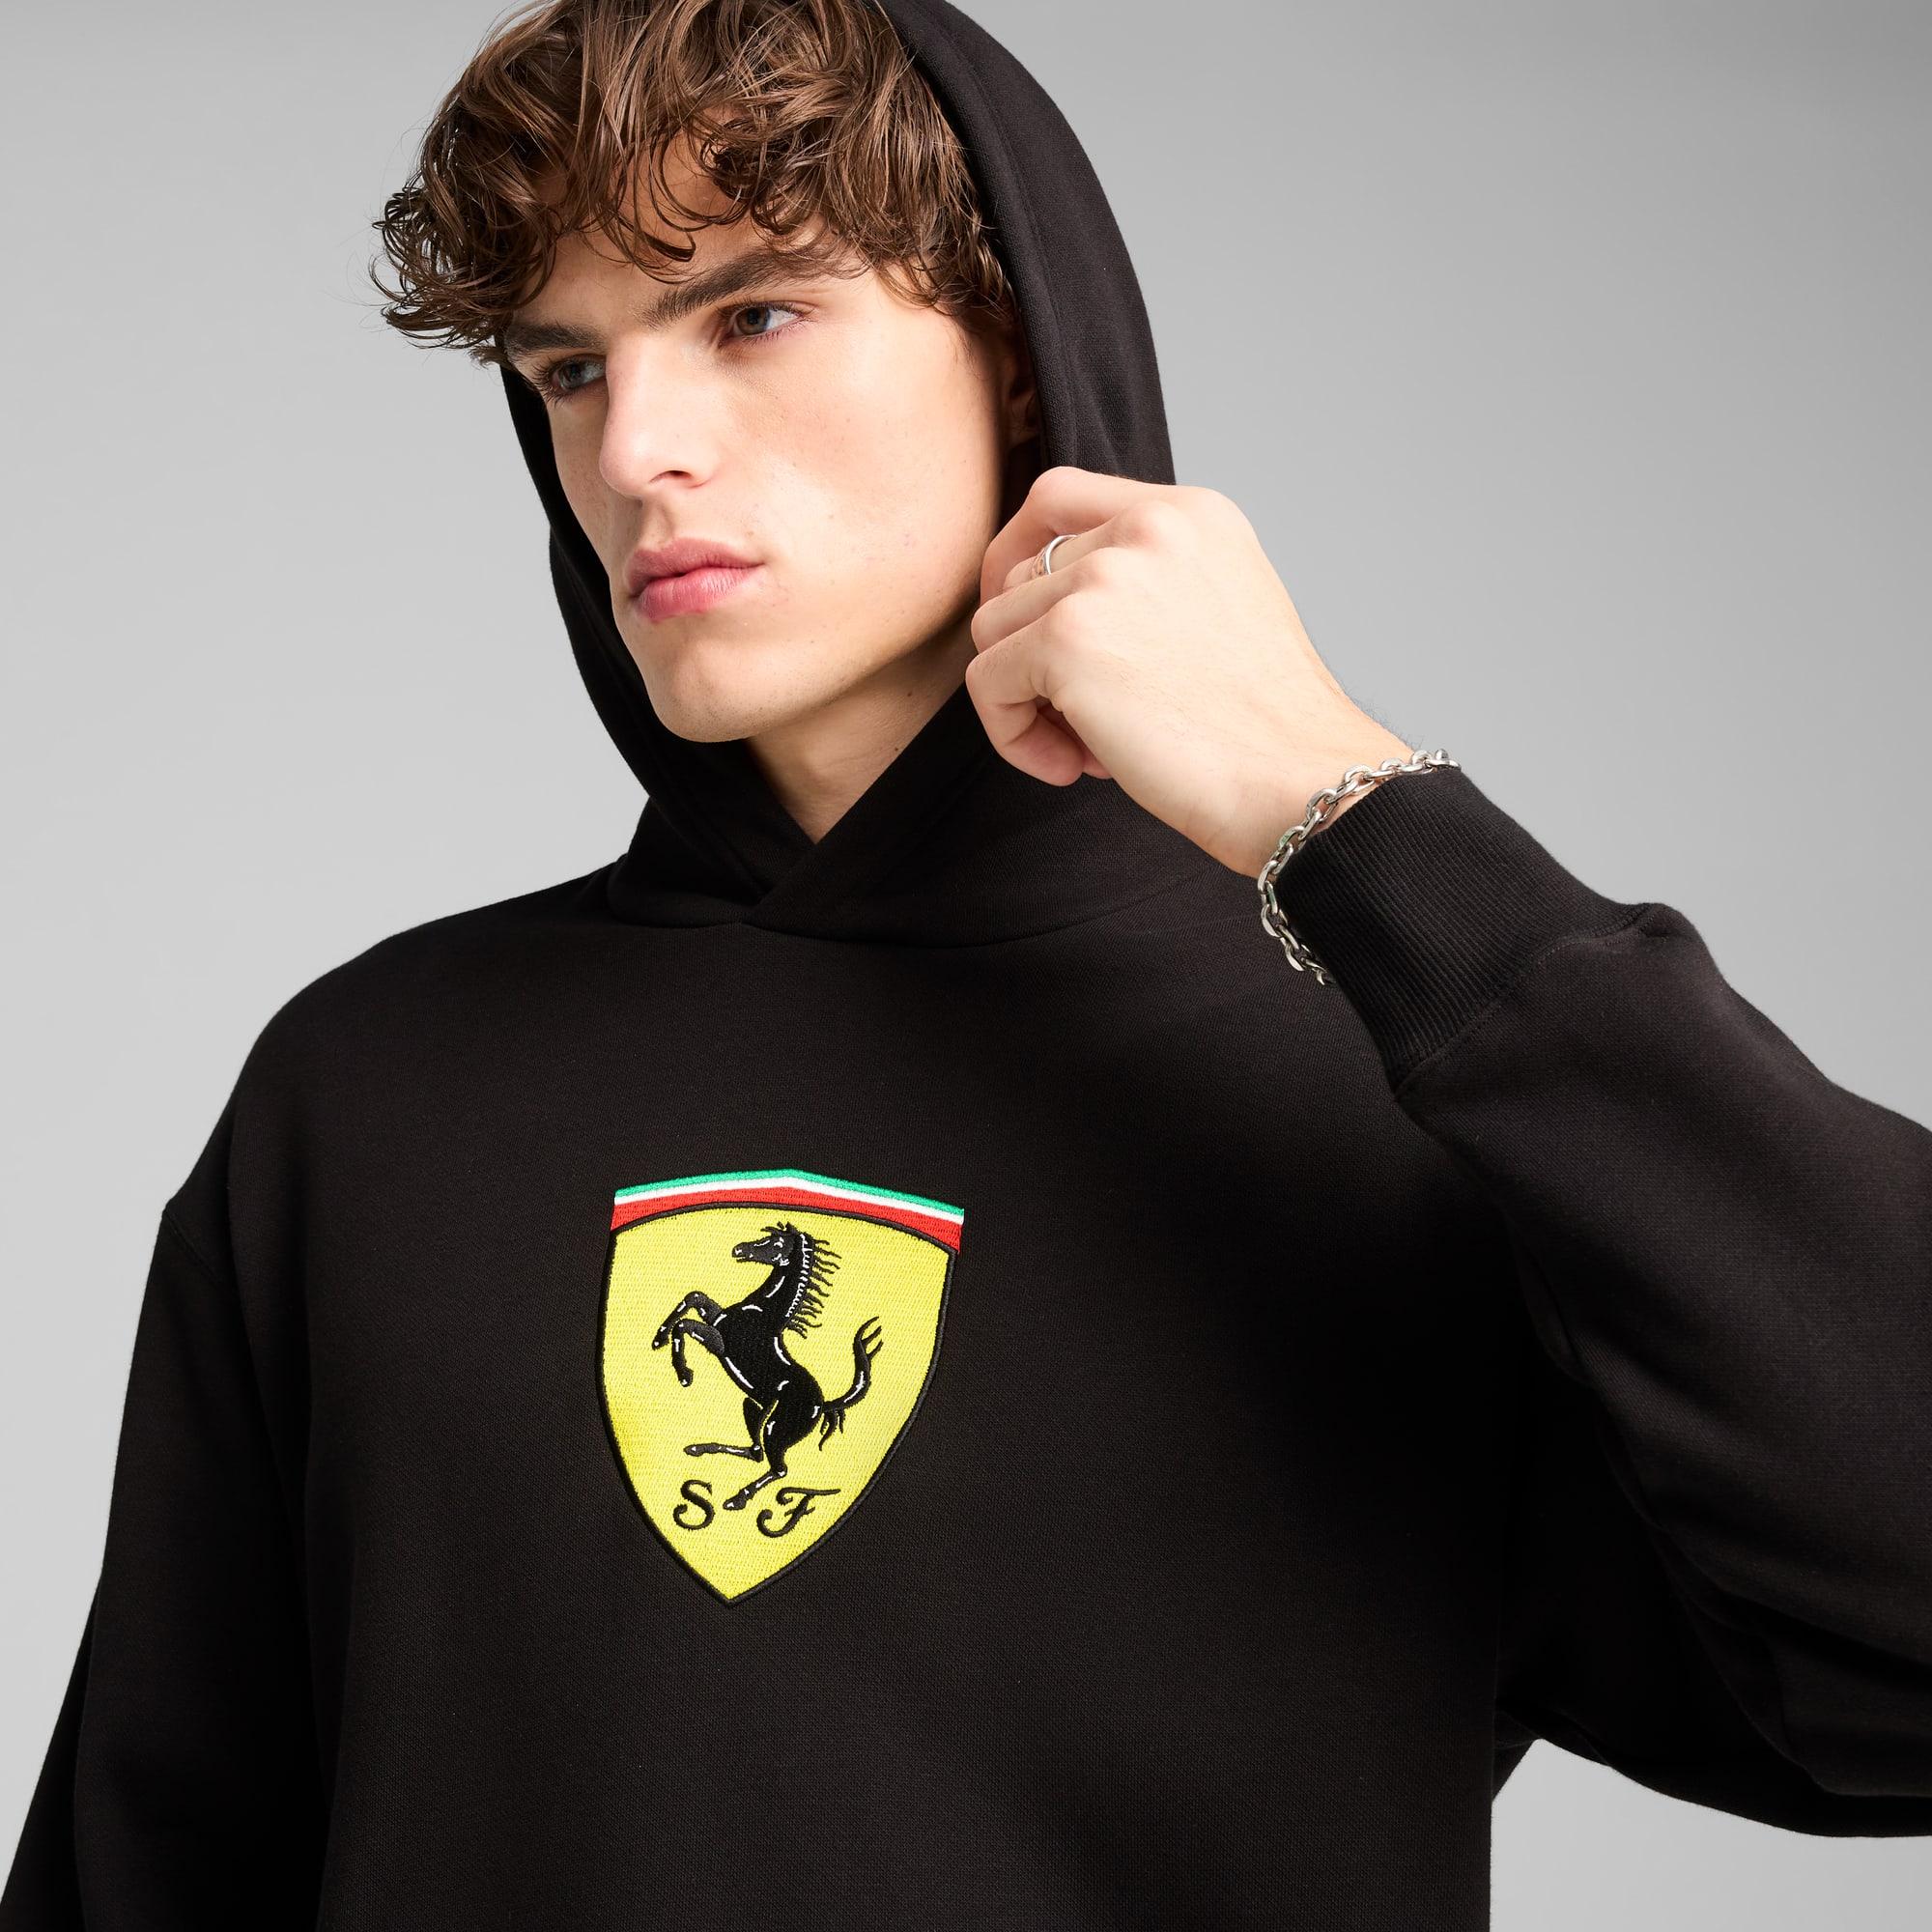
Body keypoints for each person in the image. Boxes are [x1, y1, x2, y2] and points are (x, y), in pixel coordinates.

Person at [3, 0, 1928, 1925]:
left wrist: (1358, 823)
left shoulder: (1385, 1079)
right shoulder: (371, 1095)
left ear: (1019, 354)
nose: (637, 450)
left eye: (753, 315)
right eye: (570, 368)